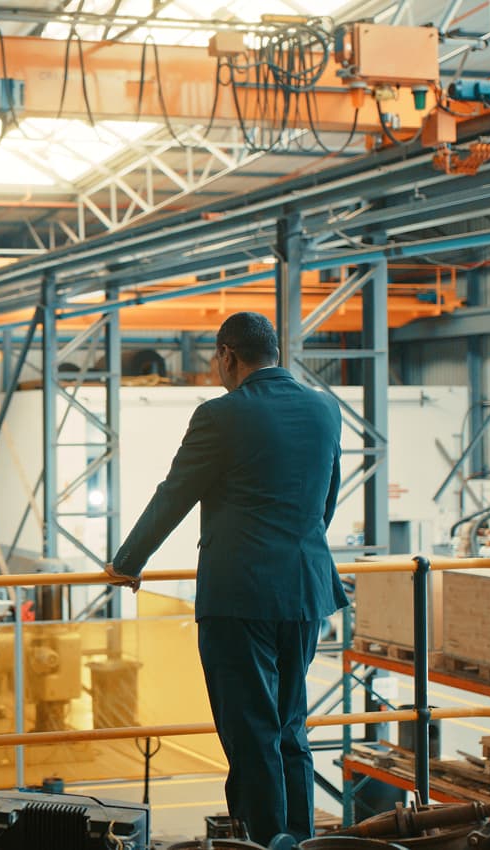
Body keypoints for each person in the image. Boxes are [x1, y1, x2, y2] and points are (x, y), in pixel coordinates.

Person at [104, 312, 348, 844]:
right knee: (290, 728)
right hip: (305, 591)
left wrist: (127, 563)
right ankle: (299, 840)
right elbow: (326, 501)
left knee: (251, 733)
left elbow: (175, 495)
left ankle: (263, 842)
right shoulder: (325, 408)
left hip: (240, 598)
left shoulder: (219, 415)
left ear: (227, 355)